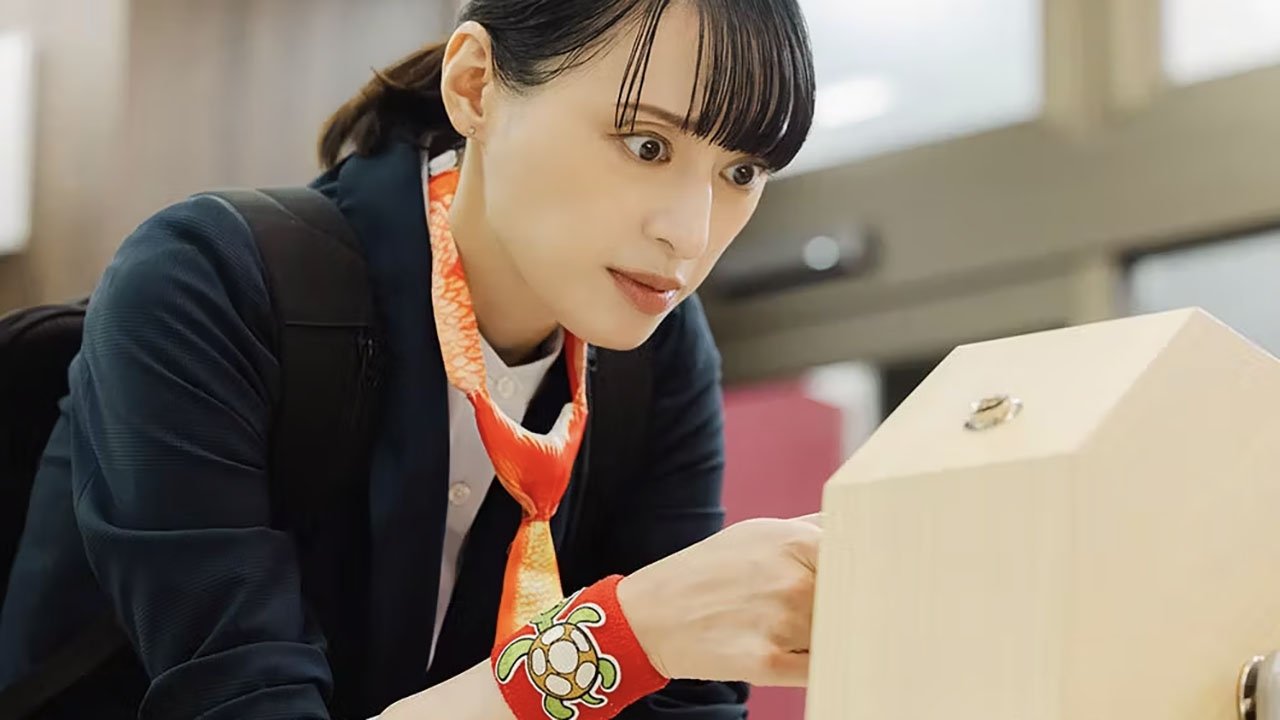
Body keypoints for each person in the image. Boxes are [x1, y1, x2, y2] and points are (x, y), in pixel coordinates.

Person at [0, 0, 820, 718]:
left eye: (742, 171)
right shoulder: (208, 283)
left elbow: (685, 706)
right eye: (645, 145)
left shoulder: (660, 356)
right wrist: (619, 639)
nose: (690, 232)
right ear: (476, 86)